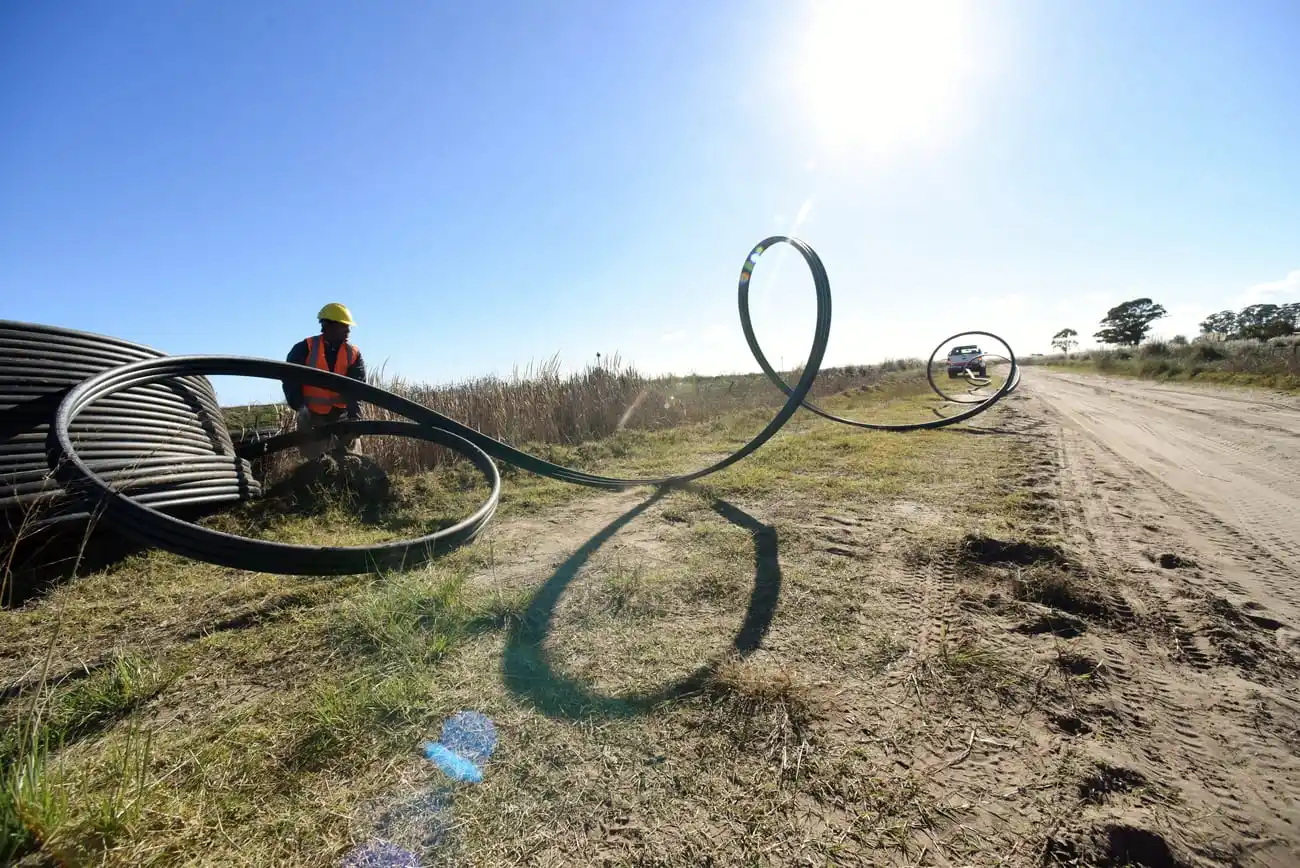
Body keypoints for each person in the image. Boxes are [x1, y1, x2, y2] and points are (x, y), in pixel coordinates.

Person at [282, 303, 367, 460]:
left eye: (348, 326)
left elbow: (357, 388)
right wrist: (300, 408)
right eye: (343, 326)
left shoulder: (353, 353)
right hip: (312, 416)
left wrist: (355, 417)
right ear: (327, 325)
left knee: (353, 461)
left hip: (343, 415)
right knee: (315, 463)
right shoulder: (304, 348)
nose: (348, 330)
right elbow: (290, 380)